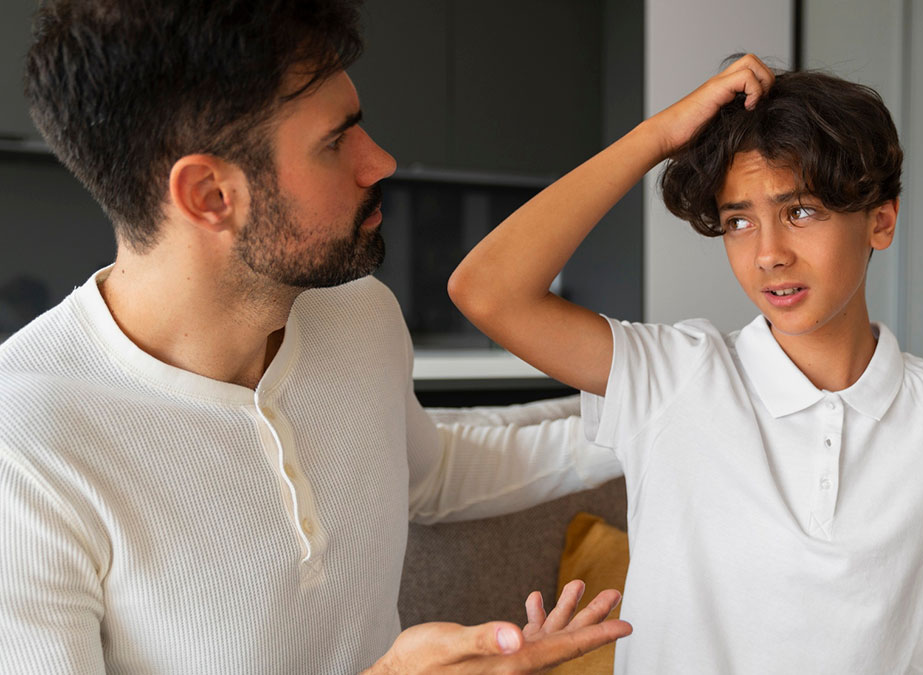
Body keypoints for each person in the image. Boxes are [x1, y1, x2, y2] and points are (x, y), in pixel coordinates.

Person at [0, 1, 632, 673]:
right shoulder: (25, 449)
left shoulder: (358, 314)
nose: (381, 161)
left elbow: (428, 472)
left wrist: (657, 409)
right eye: (336, 141)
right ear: (210, 194)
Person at [450, 55, 923, 673]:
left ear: (880, 220)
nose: (768, 254)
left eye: (801, 211)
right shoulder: (674, 377)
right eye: (738, 222)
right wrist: (660, 136)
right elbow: (485, 290)